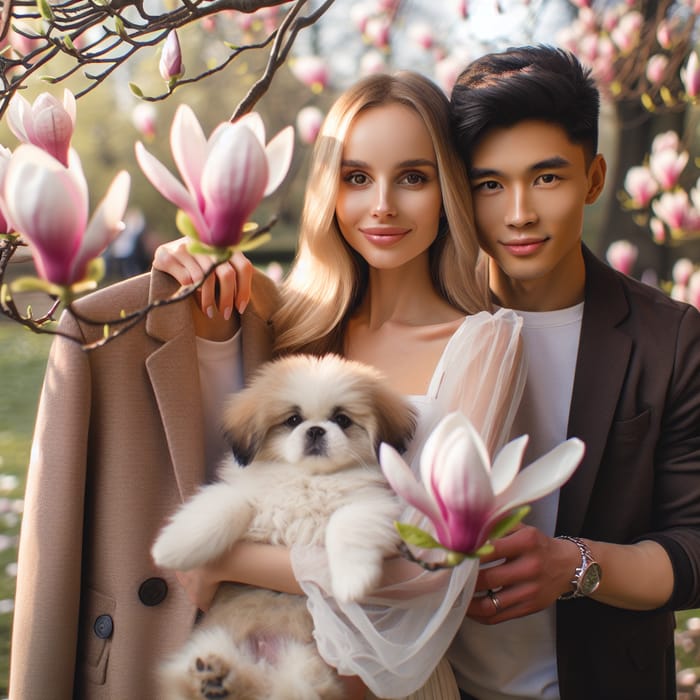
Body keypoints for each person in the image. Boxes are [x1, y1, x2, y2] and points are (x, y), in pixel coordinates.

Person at [151, 70, 526, 699]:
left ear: (448, 191)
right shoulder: (291, 320)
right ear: (330, 191)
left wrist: (226, 560)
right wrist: (178, 273)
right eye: (356, 178)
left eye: (413, 176)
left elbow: (435, 565)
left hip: (384, 685)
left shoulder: (483, 344)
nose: (381, 204)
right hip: (250, 661)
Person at [448, 44, 700, 699]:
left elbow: (694, 545)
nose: (519, 213)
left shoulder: (668, 338)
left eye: (547, 178)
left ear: (593, 179)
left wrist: (574, 565)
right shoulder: (421, 321)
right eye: (489, 184)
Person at [9, 251, 283, 699]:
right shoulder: (100, 324)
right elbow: (53, 537)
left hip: (269, 659)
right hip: (133, 657)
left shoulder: (302, 326)